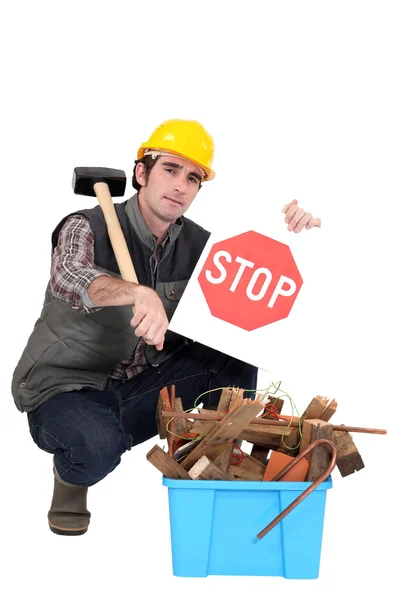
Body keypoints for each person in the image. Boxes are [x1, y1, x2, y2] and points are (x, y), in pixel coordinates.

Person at [11, 119, 321, 536]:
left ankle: (215, 464)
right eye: (170, 170)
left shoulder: (201, 244)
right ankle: (74, 473)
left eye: (193, 178)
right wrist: (136, 292)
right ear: (142, 173)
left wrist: (290, 234)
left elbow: (254, 284)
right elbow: (68, 274)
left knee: (235, 362)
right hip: (65, 386)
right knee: (93, 446)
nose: (181, 185)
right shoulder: (86, 226)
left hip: (142, 381)